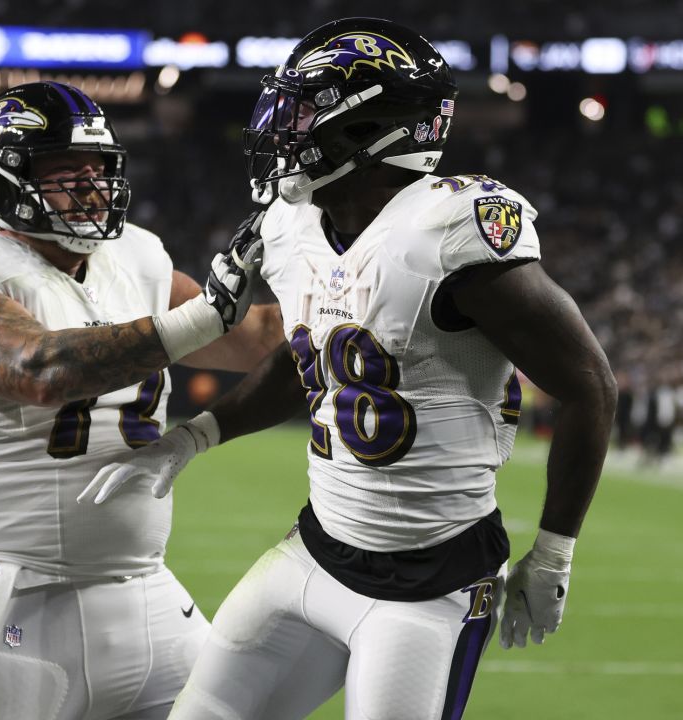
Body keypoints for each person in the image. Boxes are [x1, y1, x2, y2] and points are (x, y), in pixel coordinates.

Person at [80, 18, 617, 720]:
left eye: (306, 110)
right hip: (316, 551)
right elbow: (311, 360)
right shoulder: (289, 224)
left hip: (434, 582)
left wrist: (554, 552)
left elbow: (589, 386)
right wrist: (196, 435)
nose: (284, 127)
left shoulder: (452, 230)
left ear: (371, 128)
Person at [0, 81, 281, 720]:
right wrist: (204, 315)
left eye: (100, 168)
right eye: (66, 170)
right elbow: (38, 369)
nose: (92, 185)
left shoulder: (136, 259)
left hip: (146, 599)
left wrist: (362, 293)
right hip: (10, 607)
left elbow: (255, 337)